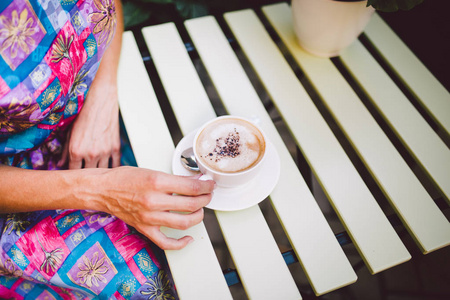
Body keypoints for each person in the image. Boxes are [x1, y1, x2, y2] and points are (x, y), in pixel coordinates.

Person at [0, 0, 214, 299]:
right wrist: (101, 190)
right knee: (147, 282)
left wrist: (103, 94)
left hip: (98, 120)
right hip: (18, 187)